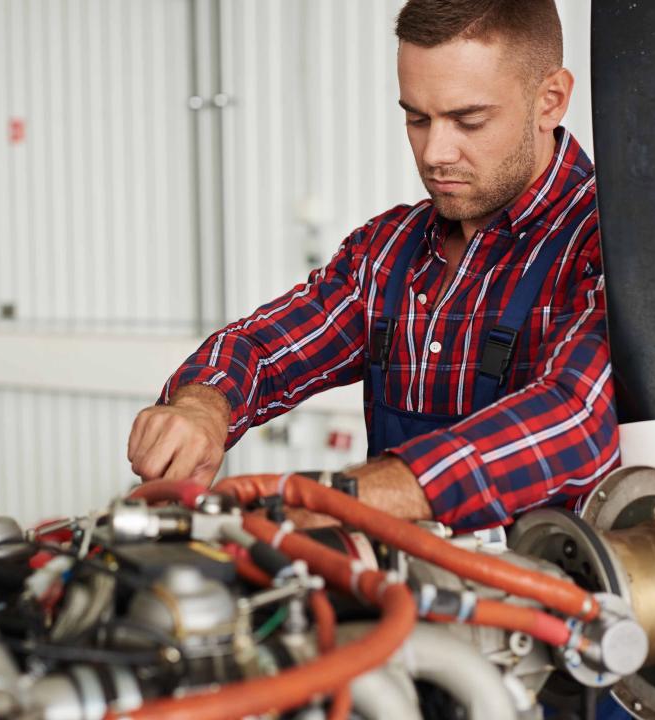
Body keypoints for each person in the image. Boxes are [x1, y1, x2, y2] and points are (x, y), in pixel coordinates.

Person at [127, 0, 618, 534]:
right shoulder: (387, 250)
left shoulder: (610, 245)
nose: (435, 153)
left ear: (550, 100)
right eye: (416, 117)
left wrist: (353, 497)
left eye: (467, 120)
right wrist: (203, 405)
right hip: (398, 595)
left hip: (550, 601)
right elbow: (266, 349)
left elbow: (578, 419)